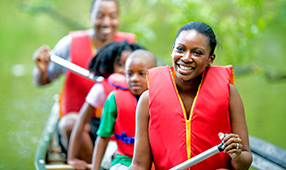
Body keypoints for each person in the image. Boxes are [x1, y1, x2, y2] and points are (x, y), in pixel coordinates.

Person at [128, 21, 252, 170]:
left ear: (210, 59)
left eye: (197, 52)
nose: (186, 58)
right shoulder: (147, 99)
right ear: (173, 51)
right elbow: (139, 165)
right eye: (181, 49)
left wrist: (237, 155)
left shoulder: (229, 93)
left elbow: (245, 161)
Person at [32, 0, 136, 159]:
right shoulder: (68, 44)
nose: (106, 22)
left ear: (119, 19)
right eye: (100, 16)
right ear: (90, 17)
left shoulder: (129, 47)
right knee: (70, 123)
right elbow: (42, 81)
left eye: (112, 16)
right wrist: (41, 71)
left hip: (118, 129)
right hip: (80, 129)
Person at [67, 41, 145, 169]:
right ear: (111, 66)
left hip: (138, 147)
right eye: (121, 65)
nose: (126, 70)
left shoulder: (146, 89)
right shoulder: (102, 89)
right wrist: (72, 158)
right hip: (113, 145)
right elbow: (81, 121)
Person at [91, 49, 157, 170]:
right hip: (125, 159)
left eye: (141, 74)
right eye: (130, 74)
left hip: (156, 161)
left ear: (153, 75)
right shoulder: (114, 98)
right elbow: (103, 137)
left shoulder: (161, 98)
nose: (134, 79)